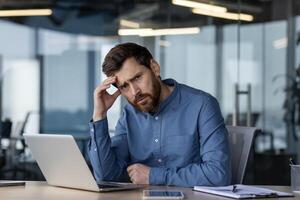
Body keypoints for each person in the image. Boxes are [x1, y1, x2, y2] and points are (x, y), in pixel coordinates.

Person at [88, 43, 231, 187]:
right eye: (124, 86)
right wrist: (100, 115)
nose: (134, 92)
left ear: (154, 68)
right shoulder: (129, 116)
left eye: (137, 78)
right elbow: (106, 176)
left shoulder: (202, 105)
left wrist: (153, 176)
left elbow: (218, 174)